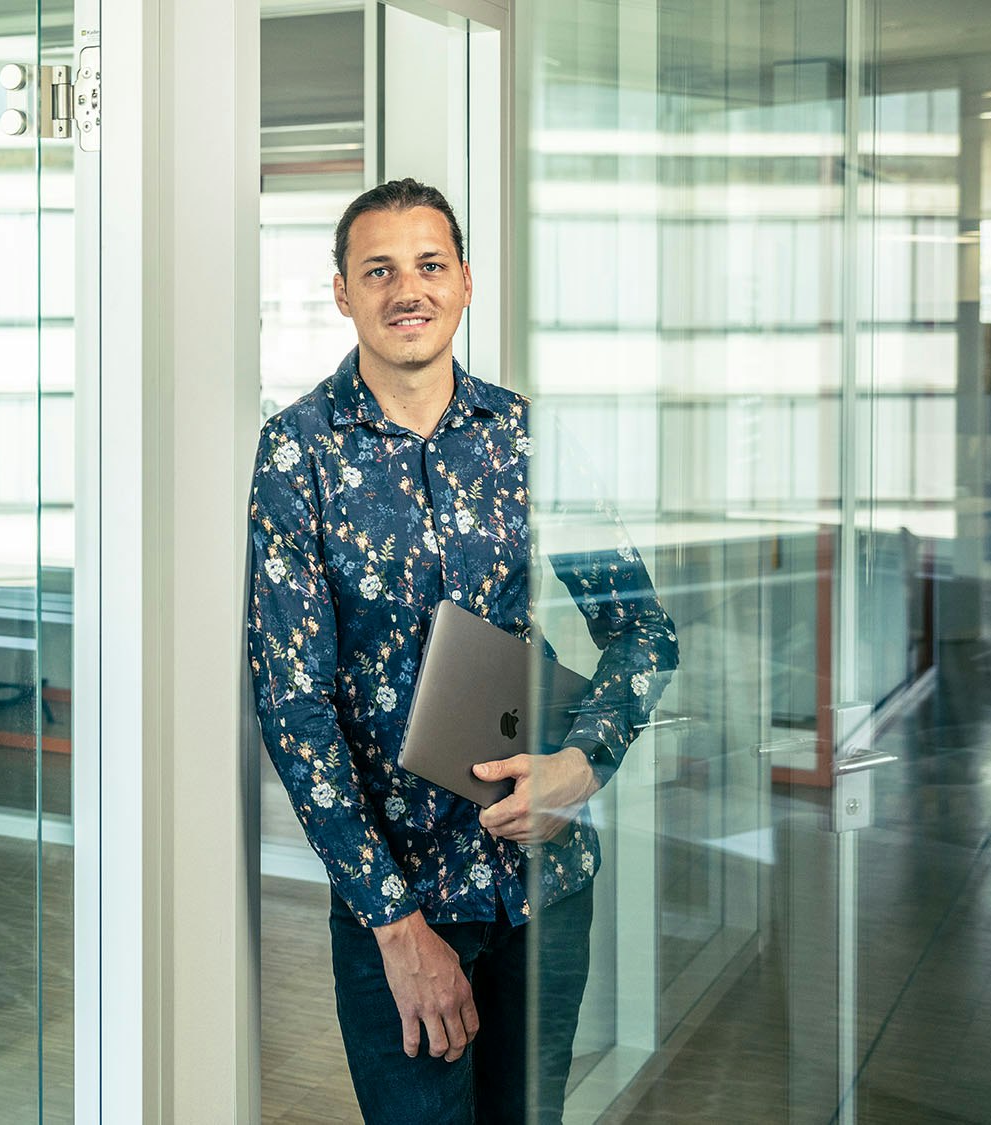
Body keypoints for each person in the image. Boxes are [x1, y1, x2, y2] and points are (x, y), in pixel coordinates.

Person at [245, 178, 678, 1124]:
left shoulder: (522, 435)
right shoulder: (298, 453)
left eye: (430, 264)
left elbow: (643, 628)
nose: (409, 289)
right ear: (343, 294)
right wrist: (397, 927)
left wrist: (581, 765)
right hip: (397, 901)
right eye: (380, 270)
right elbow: (293, 705)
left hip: (543, 884)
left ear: (467, 282)